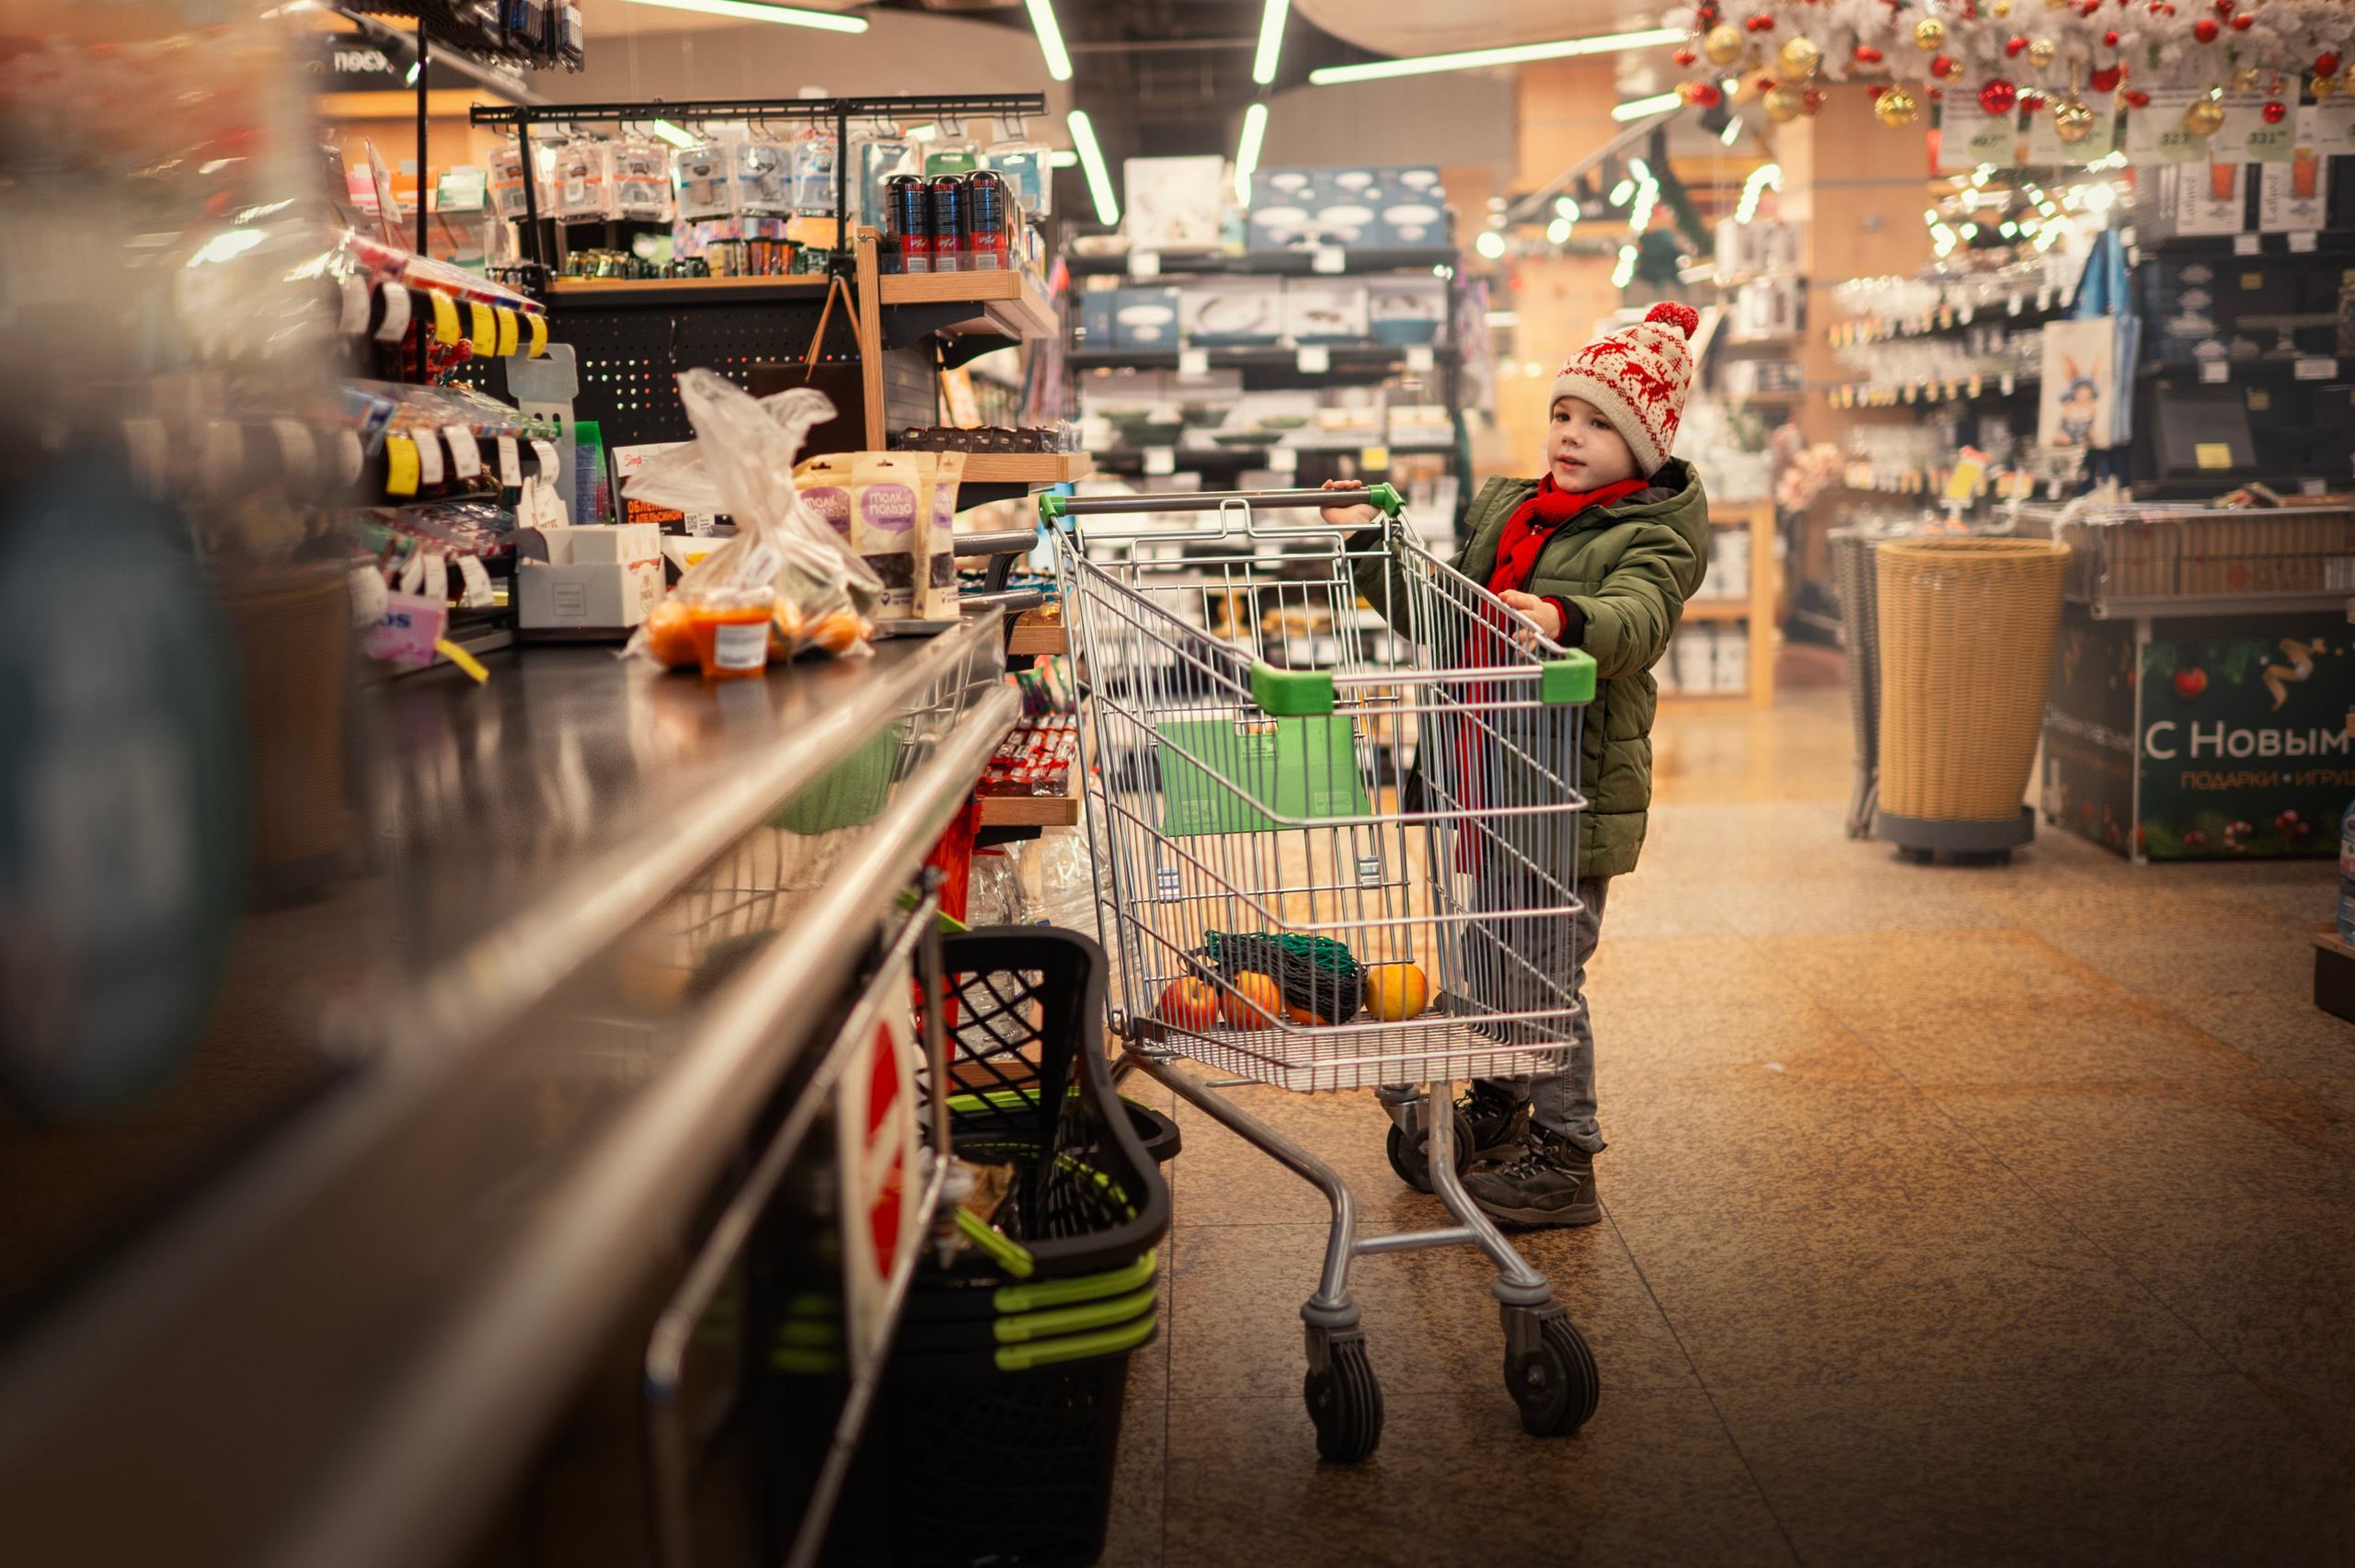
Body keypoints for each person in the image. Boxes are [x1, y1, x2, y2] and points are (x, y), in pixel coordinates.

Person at [1324, 301, 1709, 1227]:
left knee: (1540, 978)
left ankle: (1566, 1153)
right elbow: (1441, 612)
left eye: (1600, 423)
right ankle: (1499, 1104)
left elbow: (1638, 620)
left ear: (1647, 445)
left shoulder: (1654, 531)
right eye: (1563, 414)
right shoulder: (1510, 506)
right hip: (1485, 778)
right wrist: (1369, 543)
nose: (1571, 435)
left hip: (1566, 794)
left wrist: (1563, 620)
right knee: (1490, 957)